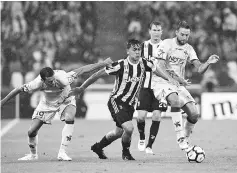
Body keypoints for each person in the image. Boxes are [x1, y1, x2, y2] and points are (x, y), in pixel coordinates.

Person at [69, 39, 179, 160]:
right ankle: (126, 153)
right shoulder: (120, 65)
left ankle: (98, 147)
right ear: (128, 51)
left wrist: (169, 79)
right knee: (129, 128)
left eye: (139, 49)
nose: (137, 52)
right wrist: (82, 87)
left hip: (130, 104)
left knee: (119, 132)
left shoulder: (145, 63)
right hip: (116, 101)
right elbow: (98, 74)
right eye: (134, 50)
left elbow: (156, 69)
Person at [0, 58, 113, 161]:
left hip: (65, 99)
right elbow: (17, 90)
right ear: (43, 81)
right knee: (31, 131)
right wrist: (2, 102)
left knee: (70, 118)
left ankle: (62, 153)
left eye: (53, 79)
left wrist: (102, 63)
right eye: (49, 81)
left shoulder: (63, 78)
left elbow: (83, 69)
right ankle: (33, 155)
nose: (53, 82)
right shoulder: (36, 83)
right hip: (47, 104)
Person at [154, 21, 219, 149]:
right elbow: (159, 66)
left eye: (187, 35)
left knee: (194, 115)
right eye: (182, 34)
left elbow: (199, 69)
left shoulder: (189, 49)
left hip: (178, 85)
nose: (185, 38)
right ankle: (180, 137)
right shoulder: (166, 44)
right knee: (175, 100)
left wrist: (208, 62)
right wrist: (171, 79)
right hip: (162, 82)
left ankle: (185, 137)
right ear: (176, 32)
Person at [136, 21, 168, 155]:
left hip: (160, 87)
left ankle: (149, 145)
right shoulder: (142, 46)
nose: (156, 32)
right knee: (141, 117)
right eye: (154, 30)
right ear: (149, 31)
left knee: (156, 116)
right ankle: (142, 138)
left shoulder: (166, 46)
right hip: (145, 85)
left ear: (162, 32)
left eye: (158, 30)